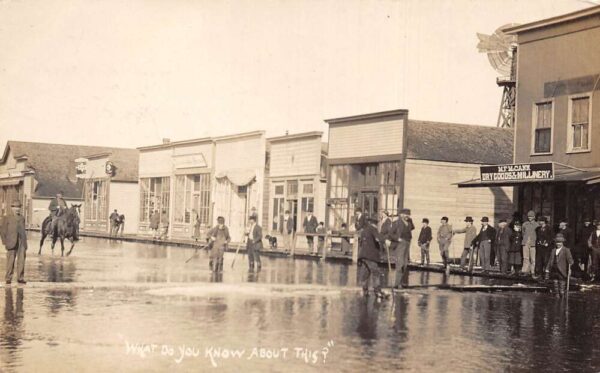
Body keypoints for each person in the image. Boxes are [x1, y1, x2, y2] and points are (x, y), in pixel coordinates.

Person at [358, 217, 386, 299]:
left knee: (365, 273)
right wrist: (385, 240)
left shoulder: (364, 230)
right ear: (375, 224)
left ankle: (365, 291)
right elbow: (378, 238)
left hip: (363, 255)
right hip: (370, 256)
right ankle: (377, 292)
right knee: (376, 272)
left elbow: (361, 243)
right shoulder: (373, 229)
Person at [1, 200, 28, 285]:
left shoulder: (22, 218)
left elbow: (23, 231)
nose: (17, 209)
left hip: (21, 242)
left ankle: (20, 278)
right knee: (10, 261)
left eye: (19, 207)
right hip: (11, 242)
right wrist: (5, 242)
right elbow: (2, 231)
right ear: (12, 208)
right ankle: (8, 278)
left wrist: (25, 243)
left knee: (21, 261)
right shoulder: (7, 217)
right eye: (15, 207)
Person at [390, 208, 414, 289]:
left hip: (407, 243)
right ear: (401, 215)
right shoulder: (396, 223)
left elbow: (412, 228)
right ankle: (397, 284)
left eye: (408, 215)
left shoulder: (409, 223)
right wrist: (397, 239)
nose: (407, 216)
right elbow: (390, 234)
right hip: (400, 244)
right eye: (405, 214)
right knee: (399, 264)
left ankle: (402, 282)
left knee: (405, 264)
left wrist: (410, 220)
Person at [545, 233, 574, 298]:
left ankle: (562, 298)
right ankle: (557, 298)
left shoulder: (566, 250)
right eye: (557, 242)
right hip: (554, 270)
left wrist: (570, 262)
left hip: (562, 271)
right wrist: (547, 270)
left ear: (562, 242)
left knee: (562, 285)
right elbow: (550, 261)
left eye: (560, 242)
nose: (558, 244)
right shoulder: (553, 250)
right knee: (555, 285)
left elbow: (571, 260)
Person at [521, 210, 538, 275]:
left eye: (531, 216)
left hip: (533, 243)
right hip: (525, 242)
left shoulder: (537, 225)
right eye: (529, 216)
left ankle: (532, 271)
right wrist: (525, 240)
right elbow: (523, 233)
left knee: (533, 258)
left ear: (534, 217)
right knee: (525, 257)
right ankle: (525, 271)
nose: (530, 218)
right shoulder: (524, 224)